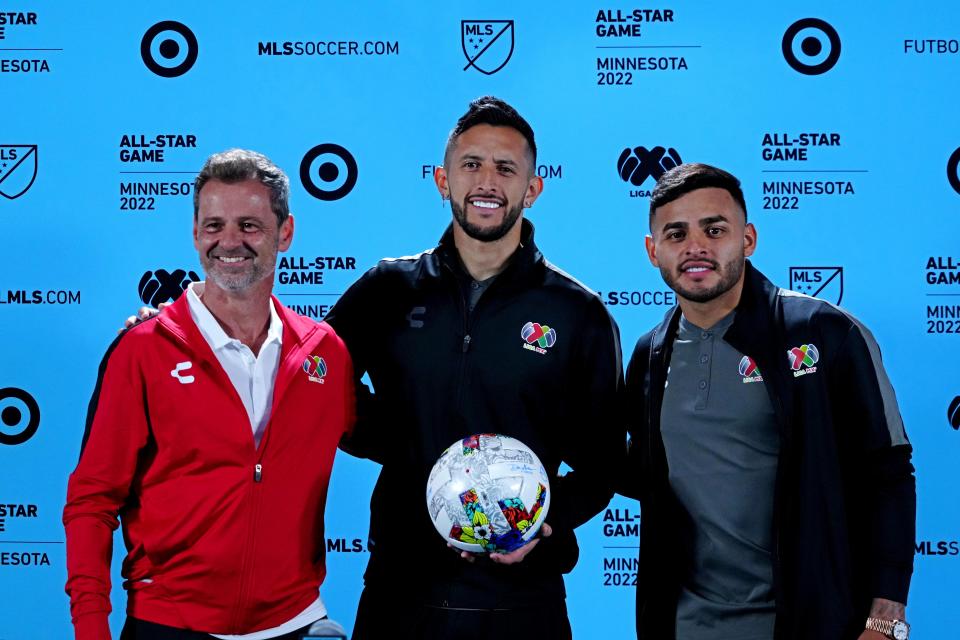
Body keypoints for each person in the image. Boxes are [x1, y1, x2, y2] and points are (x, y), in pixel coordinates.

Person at [325, 96, 625, 639]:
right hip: (400, 591)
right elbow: (316, 378)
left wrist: (545, 524)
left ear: (532, 189)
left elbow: (603, 463)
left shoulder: (578, 312)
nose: (487, 181)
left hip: (521, 602)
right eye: (471, 165)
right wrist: (396, 438)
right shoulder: (387, 288)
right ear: (443, 179)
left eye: (506, 168)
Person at [63, 150, 354, 640]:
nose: (230, 242)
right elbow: (92, 501)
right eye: (214, 224)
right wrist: (91, 628)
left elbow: (400, 439)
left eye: (250, 225)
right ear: (196, 233)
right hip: (169, 623)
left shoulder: (325, 355)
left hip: (296, 623)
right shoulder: (143, 350)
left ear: (286, 233)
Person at [621, 162, 916, 640]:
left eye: (714, 229)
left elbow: (888, 473)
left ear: (748, 239)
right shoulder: (650, 354)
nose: (695, 246)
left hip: (811, 622)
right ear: (653, 252)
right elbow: (639, 472)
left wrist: (885, 616)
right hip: (687, 624)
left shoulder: (824, 333)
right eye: (676, 234)